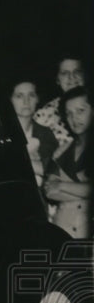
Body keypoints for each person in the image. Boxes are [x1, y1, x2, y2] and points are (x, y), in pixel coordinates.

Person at [43, 85, 90, 239]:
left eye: (80, 111)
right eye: (69, 113)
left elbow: (56, 187)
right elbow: (49, 190)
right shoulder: (61, 151)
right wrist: (84, 191)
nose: (74, 118)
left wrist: (62, 185)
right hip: (63, 230)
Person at [34, 56, 86, 155]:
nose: (72, 77)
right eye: (65, 73)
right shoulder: (43, 116)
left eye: (77, 72)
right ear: (57, 79)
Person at [10, 80, 58, 185]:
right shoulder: (2, 132)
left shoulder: (45, 133)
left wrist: (17, 162)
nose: (26, 101)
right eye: (19, 96)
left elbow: (53, 169)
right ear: (10, 100)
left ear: (37, 99)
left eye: (31, 95)